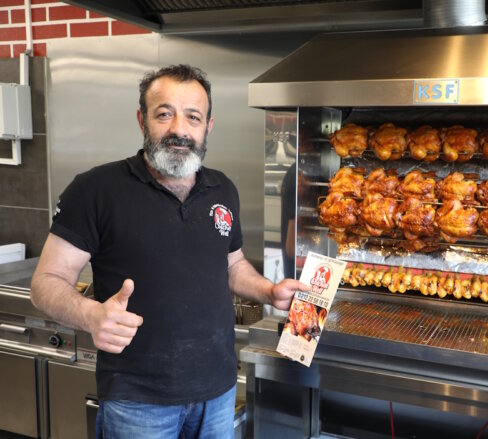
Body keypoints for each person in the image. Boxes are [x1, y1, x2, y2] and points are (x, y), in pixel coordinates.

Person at [30, 64, 308, 439]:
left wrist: (269, 291)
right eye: (164, 114)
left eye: (193, 117)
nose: (179, 129)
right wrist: (90, 314)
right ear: (142, 120)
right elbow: (45, 282)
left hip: (219, 392)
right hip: (137, 401)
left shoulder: (222, 188)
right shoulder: (96, 189)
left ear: (208, 126)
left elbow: (233, 264)